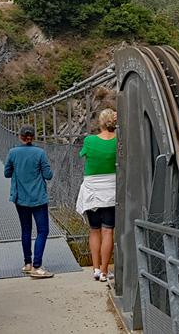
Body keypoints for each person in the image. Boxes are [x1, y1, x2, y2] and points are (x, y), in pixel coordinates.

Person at [4, 124, 54, 278]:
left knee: (26, 230)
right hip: (38, 198)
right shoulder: (40, 153)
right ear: (33, 137)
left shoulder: (12, 153)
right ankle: (37, 266)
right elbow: (48, 175)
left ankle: (27, 264)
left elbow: (7, 173)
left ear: (20, 136)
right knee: (43, 231)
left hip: (20, 199)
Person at [76, 108, 117, 282]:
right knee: (108, 231)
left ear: (100, 123)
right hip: (111, 190)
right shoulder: (119, 141)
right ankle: (105, 272)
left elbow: (82, 155)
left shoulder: (90, 140)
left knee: (94, 230)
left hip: (92, 190)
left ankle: (95, 270)